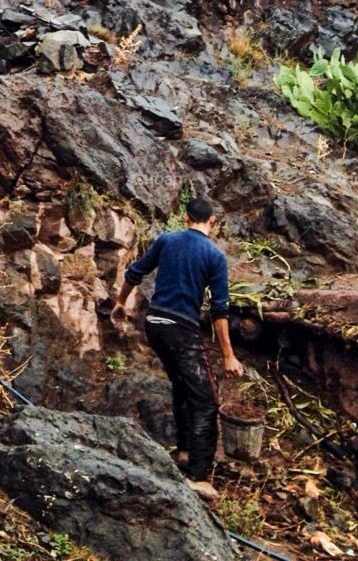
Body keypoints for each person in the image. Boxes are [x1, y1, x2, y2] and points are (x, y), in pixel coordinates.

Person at [111, 195, 243, 502]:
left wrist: (120, 302)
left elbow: (134, 273)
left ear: (186, 218)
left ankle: (185, 452)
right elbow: (220, 310)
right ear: (213, 221)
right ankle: (197, 477)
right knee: (206, 401)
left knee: (183, 387)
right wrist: (228, 355)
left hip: (155, 325)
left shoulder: (166, 240)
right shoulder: (215, 255)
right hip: (181, 330)